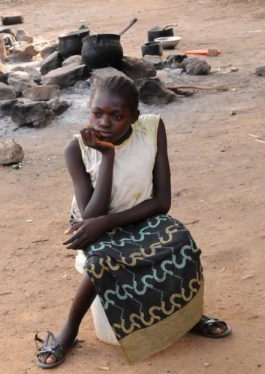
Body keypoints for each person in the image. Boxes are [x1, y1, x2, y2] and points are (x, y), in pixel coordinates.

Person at [34, 73, 231, 369]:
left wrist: (110, 222)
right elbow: (91, 216)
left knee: (180, 240)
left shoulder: (152, 129)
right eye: (97, 114)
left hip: (142, 216)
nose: (104, 123)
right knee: (101, 261)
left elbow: (162, 202)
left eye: (117, 116)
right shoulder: (77, 149)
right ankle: (70, 330)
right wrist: (108, 157)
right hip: (91, 225)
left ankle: (188, 316)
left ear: (134, 117)